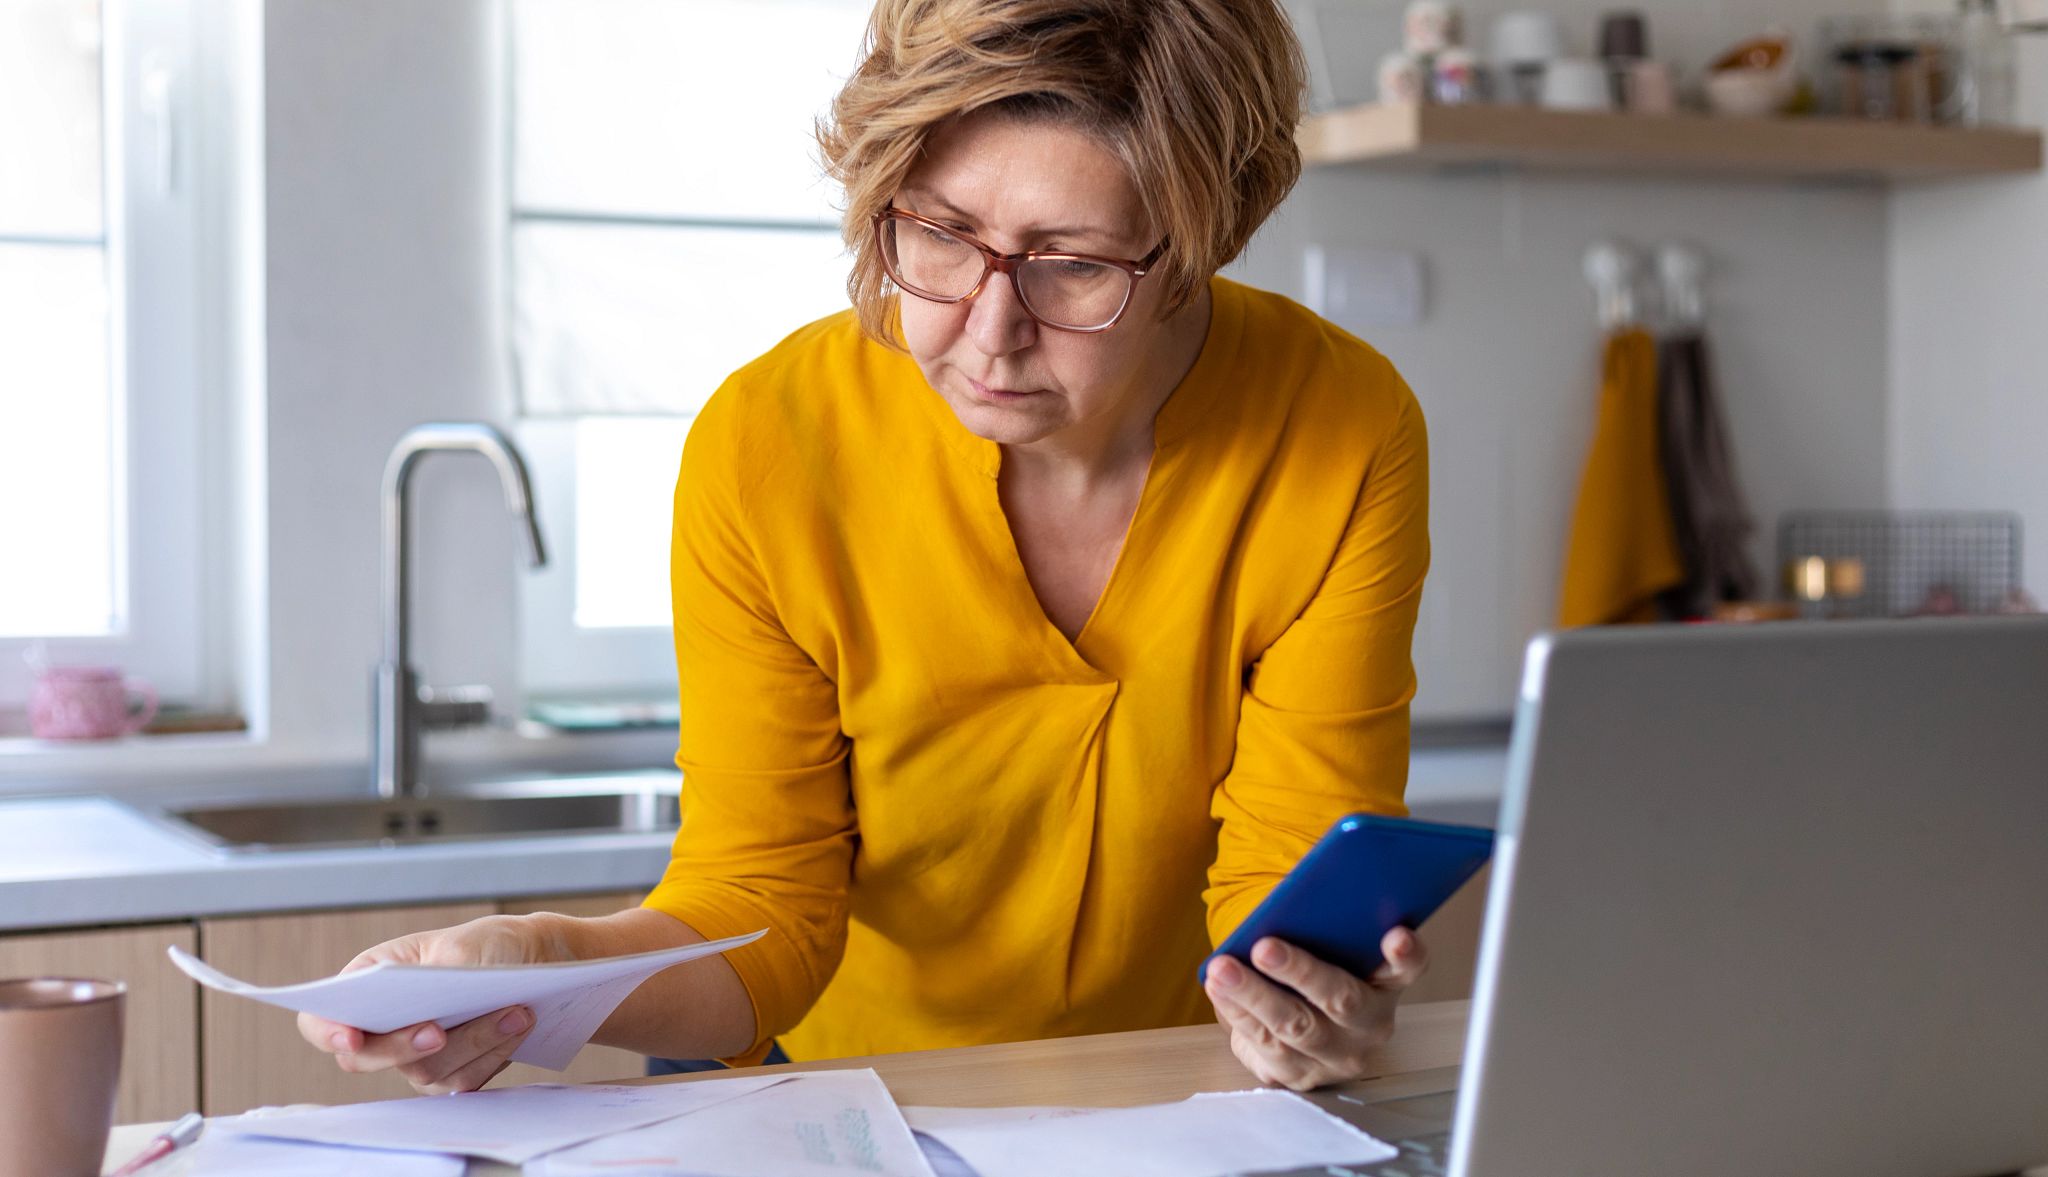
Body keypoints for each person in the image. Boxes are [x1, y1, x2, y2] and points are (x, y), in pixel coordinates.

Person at [299, 0, 1432, 1097]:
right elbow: (761, 907)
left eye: (1072, 263)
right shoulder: (771, 442)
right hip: (854, 1095)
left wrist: (1309, 1002)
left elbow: (1289, 892)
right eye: (939, 233)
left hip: (1171, 1097)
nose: (988, 330)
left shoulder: (1337, 428)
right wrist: (543, 960)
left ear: (1195, 247)